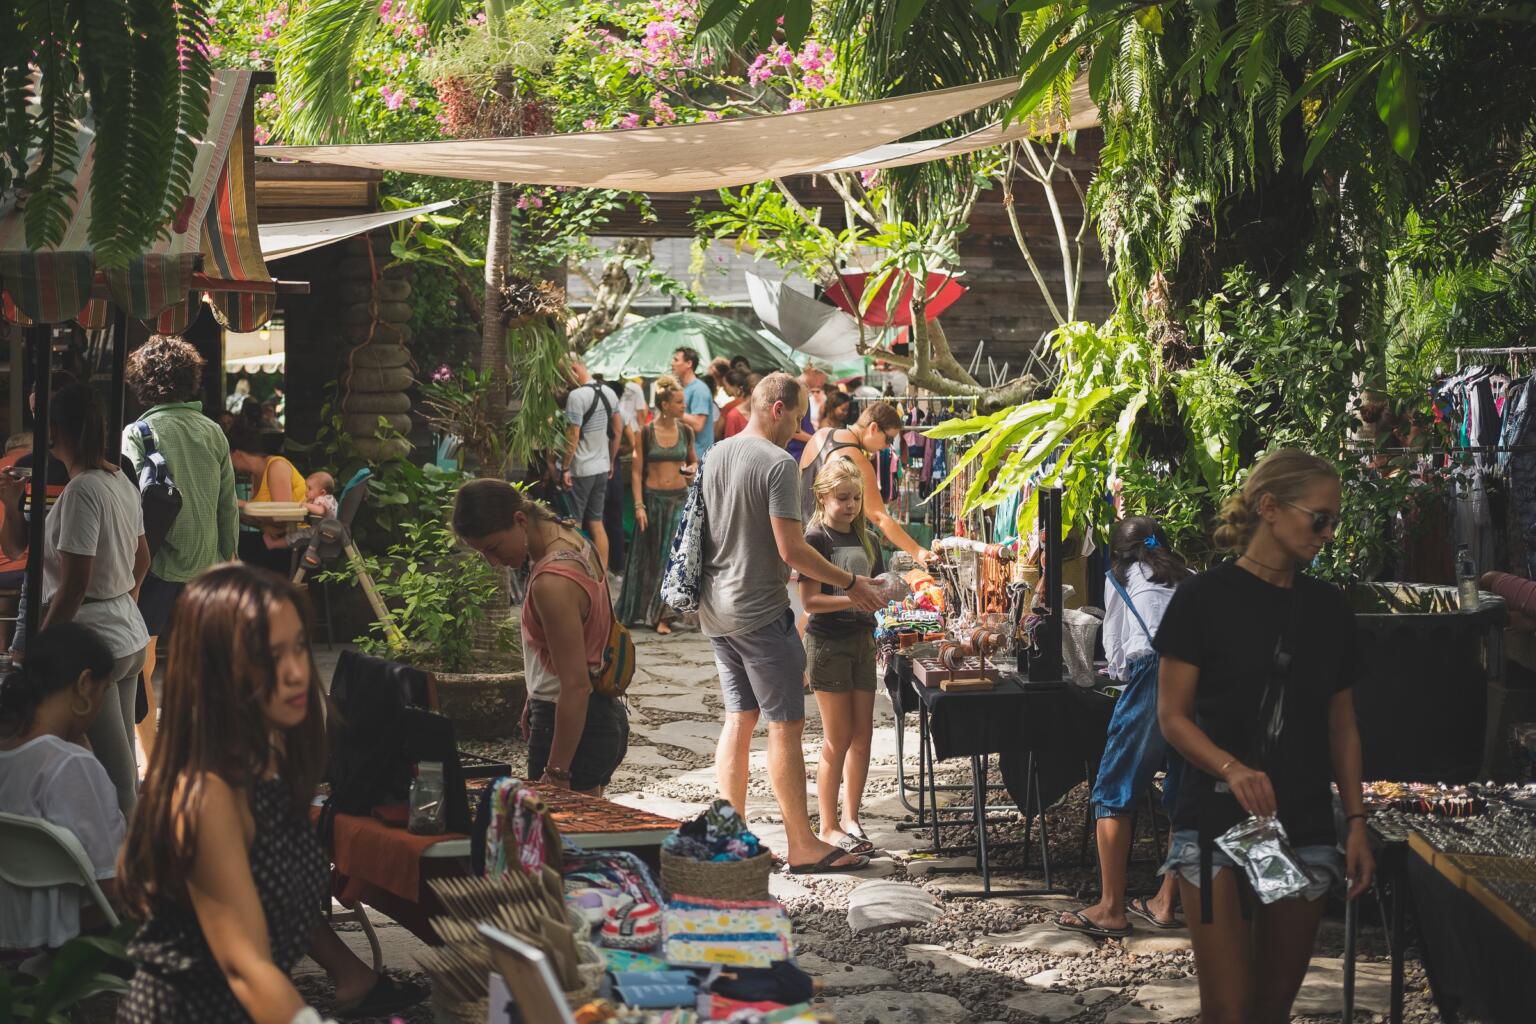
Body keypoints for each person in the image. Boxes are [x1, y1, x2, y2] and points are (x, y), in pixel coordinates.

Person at [117, 565, 422, 1021]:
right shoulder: (208, 793)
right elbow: (243, 965)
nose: (297, 671)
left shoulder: (265, 764)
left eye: (300, 646)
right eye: (269, 656)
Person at [1155, 449, 1374, 1024]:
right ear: (1270, 508)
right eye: (1318, 518)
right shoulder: (1202, 599)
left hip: (1299, 824)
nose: (1327, 533)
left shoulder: (1328, 608)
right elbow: (1172, 717)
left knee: (1271, 1008)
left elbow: (1341, 725)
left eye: (1334, 520)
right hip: (1215, 819)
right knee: (1228, 1010)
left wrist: (1355, 822)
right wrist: (1231, 768)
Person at [701, 372, 882, 875]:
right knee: (786, 726)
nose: (802, 427)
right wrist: (851, 582)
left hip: (716, 607)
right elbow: (793, 549)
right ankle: (803, 844)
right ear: (777, 409)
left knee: (739, 718)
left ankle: (732, 834)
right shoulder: (777, 463)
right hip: (758, 610)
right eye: (799, 415)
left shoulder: (716, 452)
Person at [0, 384, 149, 815]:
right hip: (123, 633)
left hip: (95, 638)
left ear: (52, 431)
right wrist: (122, 601)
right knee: (122, 770)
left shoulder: (84, 490)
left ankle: (124, 871)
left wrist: (39, 649)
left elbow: (74, 585)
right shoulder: (116, 478)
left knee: (116, 775)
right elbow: (142, 559)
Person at [453, 481, 630, 795]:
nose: (494, 562)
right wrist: (533, 699)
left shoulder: (552, 582)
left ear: (520, 520)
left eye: (493, 548)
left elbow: (575, 685)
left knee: (559, 838)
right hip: (597, 715)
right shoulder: (569, 535)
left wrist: (557, 770)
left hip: (575, 725)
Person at [1058, 516, 1186, 939]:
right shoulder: (1189, 576)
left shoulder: (1121, 578)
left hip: (1154, 675)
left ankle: (1111, 907)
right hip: (1202, 679)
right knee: (1186, 793)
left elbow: (1116, 654)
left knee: (1115, 786)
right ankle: (1165, 902)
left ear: (1116, 555)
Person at [121, 334, 239, 762]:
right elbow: (229, 508)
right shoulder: (213, 433)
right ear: (192, 380)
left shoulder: (138, 432)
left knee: (141, 666)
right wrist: (228, 561)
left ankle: (152, 761)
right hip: (207, 567)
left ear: (143, 385)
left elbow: (128, 505)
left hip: (152, 569)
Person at [0, 623, 124, 951]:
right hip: (64, 942)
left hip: (9, 931)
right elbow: (110, 884)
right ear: (84, 684)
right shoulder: (70, 765)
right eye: (104, 690)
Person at [799, 459, 884, 856]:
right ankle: (828, 823)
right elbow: (810, 601)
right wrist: (852, 595)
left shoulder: (868, 539)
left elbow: (878, 586)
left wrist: (890, 592)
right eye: (842, 498)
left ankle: (851, 816)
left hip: (864, 641)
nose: (850, 506)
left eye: (855, 498)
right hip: (829, 644)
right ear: (822, 497)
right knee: (837, 738)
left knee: (862, 735)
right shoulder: (816, 539)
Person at [799, 402, 936, 565]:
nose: (888, 446)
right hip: (832, 551)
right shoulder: (856, 459)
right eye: (889, 438)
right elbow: (879, 517)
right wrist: (917, 551)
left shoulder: (820, 435)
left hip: (804, 542)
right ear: (873, 428)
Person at [615, 376, 698, 634]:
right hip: (652, 501)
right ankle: (638, 611)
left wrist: (692, 471)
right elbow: (637, 472)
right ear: (664, 403)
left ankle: (664, 615)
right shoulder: (646, 432)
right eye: (679, 401)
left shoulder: (686, 431)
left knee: (671, 559)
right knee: (646, 558)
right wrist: (638, 506)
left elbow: (694, 463)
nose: (683, 406)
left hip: (679, 500)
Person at [562, 355, 622, 571]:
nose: (565, 380)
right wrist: (611, 460)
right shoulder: (609, 393)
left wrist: (565, 467)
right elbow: (617, 430)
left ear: (574, 369)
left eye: (565, 373)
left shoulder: (576, 397)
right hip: (602, 467)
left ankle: (575, 571)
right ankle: (602, 574)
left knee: (574, 523)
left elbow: (573, 436)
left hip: (581, 469)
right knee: (597, 522)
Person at [227, 420, 306, 575]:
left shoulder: (276, 466)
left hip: (292, 543)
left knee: (233, 548)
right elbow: (265, 520)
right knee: (230, 542)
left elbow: (283, 516)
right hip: (275, 539)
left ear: (237, 454)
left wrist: (240, 504)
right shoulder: (255, 475)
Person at [671, 347, 718, 462]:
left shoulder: (699, 389)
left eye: (676, 360)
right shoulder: (682, 389)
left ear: (689, 363)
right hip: (685, 457)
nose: (672, 363)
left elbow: (698, 424)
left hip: (698, 459)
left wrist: (673, 411)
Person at [785, 363, 828, 464]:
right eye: (823, 377)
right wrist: (816, 440)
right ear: (812, 371)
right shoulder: (795, 390)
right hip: (795, 454)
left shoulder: (803, 390)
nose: (824, 381)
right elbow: (791, 429)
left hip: (803, 451)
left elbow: (804, 423)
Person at [717, 368, 751, 441]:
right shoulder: (751, 403)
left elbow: (717, 432)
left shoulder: (729, 406)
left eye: (725, 385)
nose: (723, 389)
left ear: (734, 385)